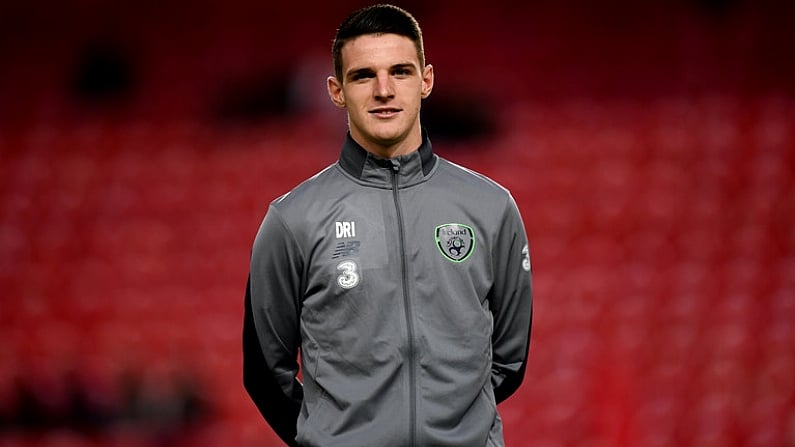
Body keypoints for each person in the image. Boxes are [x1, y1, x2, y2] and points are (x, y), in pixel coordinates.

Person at [243, 4, 533, 446]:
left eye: (400, 71)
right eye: (363, 76)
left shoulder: (491, 207)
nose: (384, 90)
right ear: (336, 91)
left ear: (426, 80)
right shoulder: (292, 220)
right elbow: (265, 373)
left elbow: (509, 360)